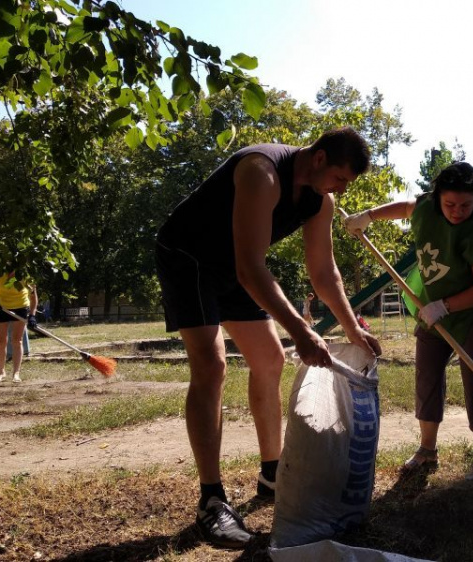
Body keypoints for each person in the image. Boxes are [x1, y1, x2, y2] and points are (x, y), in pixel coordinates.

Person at [155, 127, 382, 549]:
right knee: (212, 363)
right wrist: (302, 330)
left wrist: (353, 329)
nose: (341, 189)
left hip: (236, 265)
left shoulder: (321, 200)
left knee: (270, 360)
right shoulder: (261, 171)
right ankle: (211, 500)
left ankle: (271, 473)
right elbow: (250, 268)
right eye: (340, 178)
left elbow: (324, 272)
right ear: (318, 159)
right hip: (189, 258)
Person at [345, 161, 473, 483]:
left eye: (466, 205)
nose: (457, 211)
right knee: (427, 376)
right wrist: (368, 216)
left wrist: (445, 306)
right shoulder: (426, 207)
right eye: (450, 204)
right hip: (432, 306)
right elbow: (407, 206)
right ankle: (426, 449)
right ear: (437, 199)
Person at [0, 272, 38, 383]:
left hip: (20, 307)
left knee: (17, 341)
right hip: (0, 307)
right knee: (1, 341)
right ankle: (1, 373)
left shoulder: (26, 271)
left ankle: (16, 374)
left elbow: (33, 296)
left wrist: (32, 315)